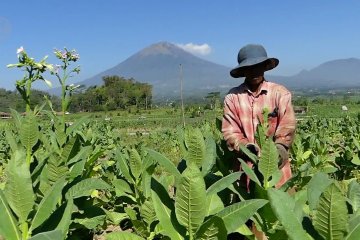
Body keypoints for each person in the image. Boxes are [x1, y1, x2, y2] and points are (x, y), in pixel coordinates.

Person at [222, 44, 296, 191]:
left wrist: (279, 149)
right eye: (249, 67)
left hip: (276, 171)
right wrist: (248, 149)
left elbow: (287, 125)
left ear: (265, 66)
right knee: (250, 211)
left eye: (258, 66)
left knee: (280, 210)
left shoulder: (280, 93)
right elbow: (230, 132)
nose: (254, 71)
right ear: (243, 71)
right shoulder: (233, 97)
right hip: (246, 172)